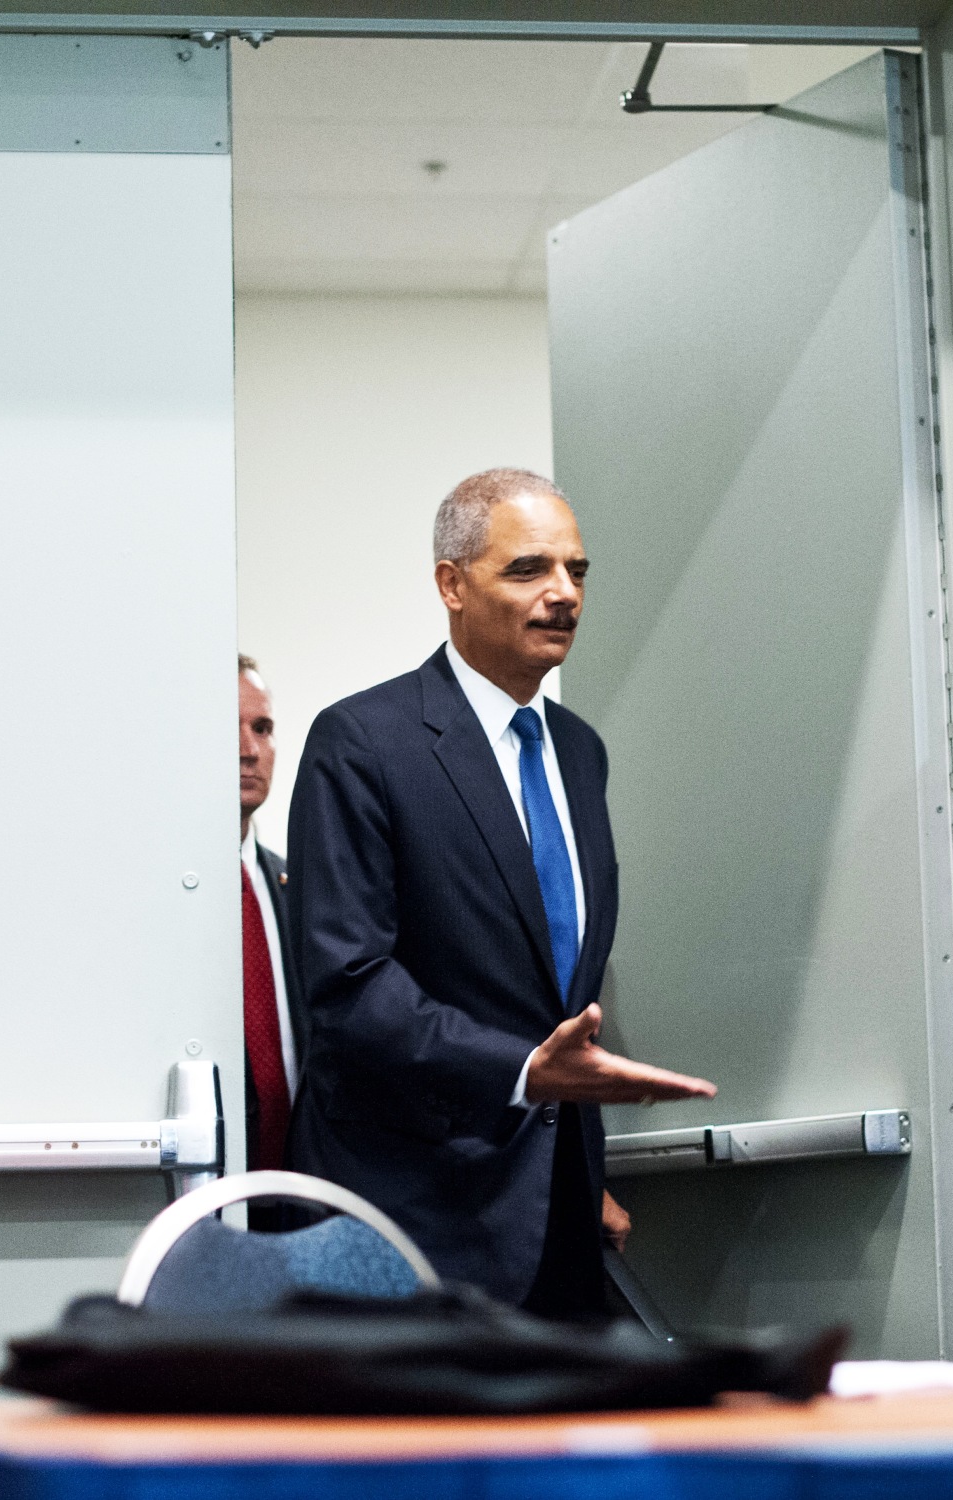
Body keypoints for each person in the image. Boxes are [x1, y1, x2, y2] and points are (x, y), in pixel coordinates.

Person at [285, 467, 714, 1318]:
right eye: (528, 569)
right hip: (412, 1218)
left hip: (558, 1217)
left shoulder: (579, 752)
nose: (563, 594)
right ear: (452, 585)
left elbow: (555, 985)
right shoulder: (363, 742)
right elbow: (348, 985)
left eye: (576, 571)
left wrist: (579, 1170)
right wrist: (522, 1073)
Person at [239, 655, 304, 1188]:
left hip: (302, 1184)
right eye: (228, 729)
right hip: (200, 1191)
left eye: (262, 728)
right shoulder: (161, 898)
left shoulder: (297, 887)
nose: (249, 750)